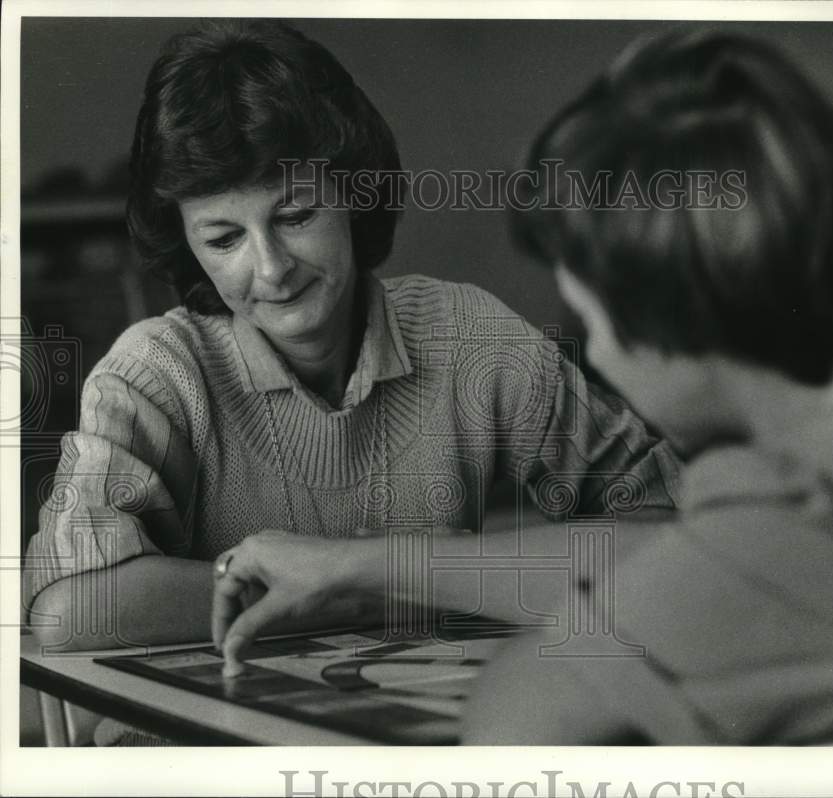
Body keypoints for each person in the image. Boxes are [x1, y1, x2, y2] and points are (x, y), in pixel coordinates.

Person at [23, 22, 680, 671]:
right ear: (187, 243)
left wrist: (366, 569)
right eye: (224, 239)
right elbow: (70, 606)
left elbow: (675, 531)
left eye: (296, 215)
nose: (272, 269)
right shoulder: (157, 370)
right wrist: (366, 593)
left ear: (354, 197)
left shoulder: (470, 334)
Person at [456, 29, 833, 744]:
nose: (598, 357)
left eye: (588, 320)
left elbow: (520, 723)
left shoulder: (798, 506)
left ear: (669, 316)